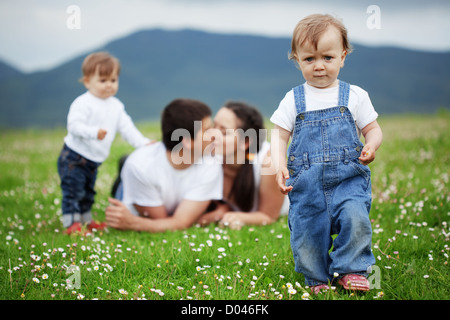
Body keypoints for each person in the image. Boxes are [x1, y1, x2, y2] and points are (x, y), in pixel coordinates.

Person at [270, 14, 383, 294]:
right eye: (310, 59)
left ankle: (350, 269)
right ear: (297, 59)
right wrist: (279, 164)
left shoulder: (355, 95)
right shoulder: (293, 99)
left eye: (328, 58)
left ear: (343, 56)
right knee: (308, 229)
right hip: (307, 182)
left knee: (356, 218)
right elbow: (278, 135)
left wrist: (371, 145)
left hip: (348, 178)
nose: (319, 66)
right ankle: (316, 277)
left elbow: (373, 129)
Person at [57, 52, 151, 235]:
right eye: (102, 80)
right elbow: (74, 126)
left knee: (88, 193)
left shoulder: (116, 106)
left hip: (93, 160)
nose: (109, 85)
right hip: (74, 156)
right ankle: (71, 224)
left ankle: (86, 220)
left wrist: (143, 143)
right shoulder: (83, 103)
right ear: (87, 81)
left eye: (113, 80)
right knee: (73, 190)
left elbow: (127, 128)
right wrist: (93, 132)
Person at [105, 98, 223, 232]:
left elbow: (180, 221)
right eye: (207, 130)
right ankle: (122, 178)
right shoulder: (140, 167)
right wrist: (133, 221)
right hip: (136, 182)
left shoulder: (212, 161)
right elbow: (161, 220)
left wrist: (135, 223)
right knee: (126, 192)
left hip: (166, 198)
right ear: (187, 142)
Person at [197, 101, 287, 229]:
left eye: (223, 132)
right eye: (213, 126)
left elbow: (269, 216)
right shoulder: (211, 157)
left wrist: (237, 217)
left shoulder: (268, 162)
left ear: (245, 142)